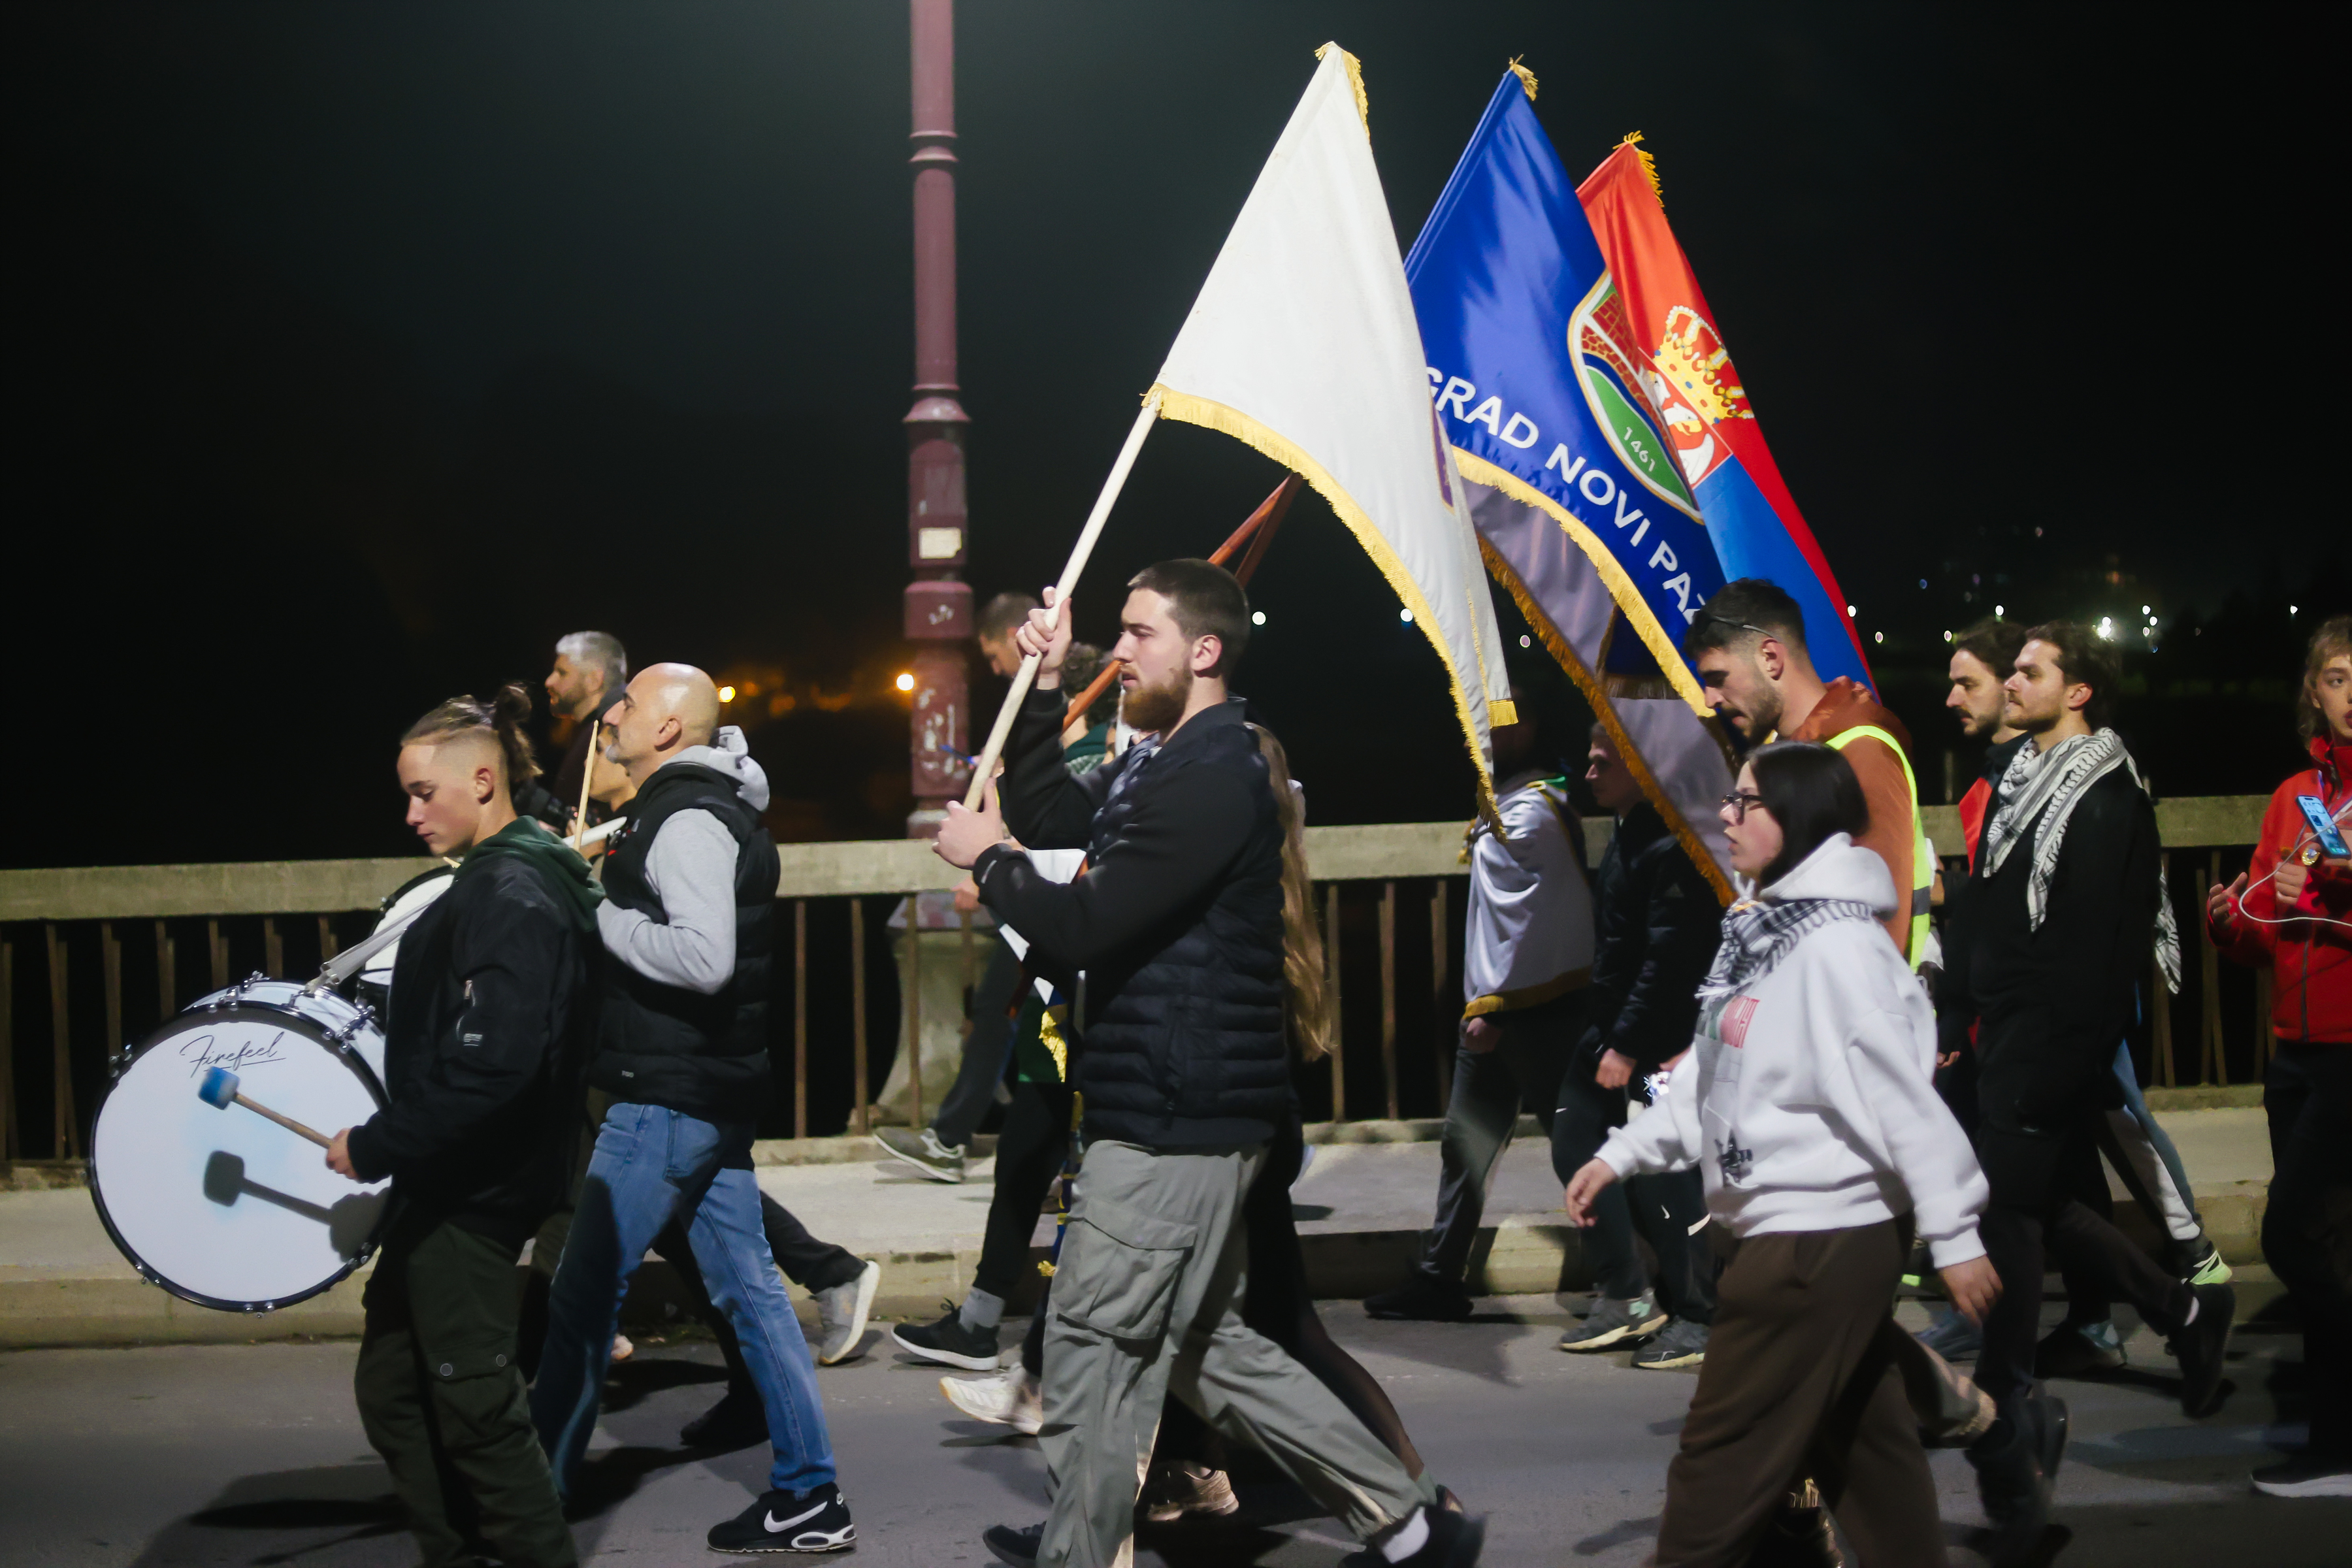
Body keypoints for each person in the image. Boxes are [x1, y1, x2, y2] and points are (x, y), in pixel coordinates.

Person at [933, 561, 1477, 1568]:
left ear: (1206, 650)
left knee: (1093, 1353)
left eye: (1141, 633)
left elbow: (1090, 920)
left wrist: (989, 863)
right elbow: (1057, 818)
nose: (1123, 649)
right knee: (1200, 1346)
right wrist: (1045, 688)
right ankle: (1407, 1523)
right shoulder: (1158, 759)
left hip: (1176, 1114)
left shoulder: (1216, 773)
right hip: (1172, 1104)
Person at [1563, 742, 1999, 1568]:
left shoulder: (1839, 950)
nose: (1725, 816)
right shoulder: (1765, 933)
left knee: (1717, 1466)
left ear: (1795, 820)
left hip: (1814, 1240)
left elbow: (1907, 1101)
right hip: (1791, 1235)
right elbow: (1710, 1077)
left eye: (1746, 802)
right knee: (1868, 1455)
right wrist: (1621, 1153)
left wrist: (1956, 1230)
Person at [530, 662, 853, 1554]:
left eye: (626, 704)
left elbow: (705, 960)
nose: (612, 715)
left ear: (669, 728)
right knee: (753, 1299)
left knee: (583, 1300)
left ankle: (528, 1499)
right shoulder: (690, 810)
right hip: (703, 1090)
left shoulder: (689, 822)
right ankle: (810, 1497)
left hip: (666, 1097)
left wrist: (597, 909)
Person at [1938, 622, 2233, 1563]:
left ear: (2078, 695)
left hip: (2048, 1045)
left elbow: (2102, 957)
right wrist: (1953, 1013)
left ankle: (2010, 1414)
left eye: (2029, 672)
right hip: (2002, 1035)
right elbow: (1988, 907)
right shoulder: (2017, 782)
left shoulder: (2106, 795)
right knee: (2044, 1203)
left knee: (2012, 1217)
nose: (2010, 684)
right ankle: (2179, 1309)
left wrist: (2060, 1063)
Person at [327, 687, 597, 1568]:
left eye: (421, 792)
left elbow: (493, 1062)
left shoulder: (511, 891)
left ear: (482, 782)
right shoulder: (504, 875)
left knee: (477, 1413)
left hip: (475, 1193)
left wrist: (378, 1143)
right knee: (394, 1388)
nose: (410, 813)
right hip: (450, 1181)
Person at [1362, 707, 1593, 1324]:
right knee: (1464, 1148)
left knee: (1580, 1147)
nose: (1479, 736)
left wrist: (1496, 1007)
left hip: (1532, 1014)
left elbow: (1539, 920)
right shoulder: (1514, 804)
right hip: (1503, 1011)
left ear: (1529, 731)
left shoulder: (1534, 812)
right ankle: (1440, 1276)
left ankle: (1634, 1278)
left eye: (1495, 724)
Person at [2207, 613, 2352, 1497]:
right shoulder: (2294, 794)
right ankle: (2333, 1440)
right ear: (2315, 691)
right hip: (2291, 1049)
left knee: (2291, 1237)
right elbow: (2266, 933)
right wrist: (2231, 922)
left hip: (2350, 1051)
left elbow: (2324, 908)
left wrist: (2333, 887)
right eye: (2338, 676)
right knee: (2329, 1245)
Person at [1548, 725, 1719, 1367]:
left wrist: (1625, 1042)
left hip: (1655, 1036)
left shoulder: (1667, 843)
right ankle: (1627, 1293)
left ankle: (1699, 1312)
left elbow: (1667, 957)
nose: (1588, 773)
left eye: (1601, 762)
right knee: (1574, 1139)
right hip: (1616, 1027)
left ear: (1642, 769)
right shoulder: (1629, 833)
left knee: (1667, 1175)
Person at [875, 593, 1047, 1184]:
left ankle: (969, 1140)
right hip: (1038, 892)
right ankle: (963, 1138)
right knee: (1013, 1017)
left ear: (1013, 635)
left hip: (1050, 895)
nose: (994, 665)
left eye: (993, 651)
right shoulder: (1038, 704)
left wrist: (995, 867)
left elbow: (1056, 811)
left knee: (1030, 1022)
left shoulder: (1053, 698)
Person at [1687, 579, 1930, 967]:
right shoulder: (1793, 753)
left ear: (1770, 657)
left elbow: (1881, 925)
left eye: (1718, 678)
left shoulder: (1860, 749)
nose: (1710, 699)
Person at [542, 630, 627, 828]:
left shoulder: (614, 730)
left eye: (562, 673)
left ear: (594, 680)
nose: (549, 681)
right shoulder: (592, 729)